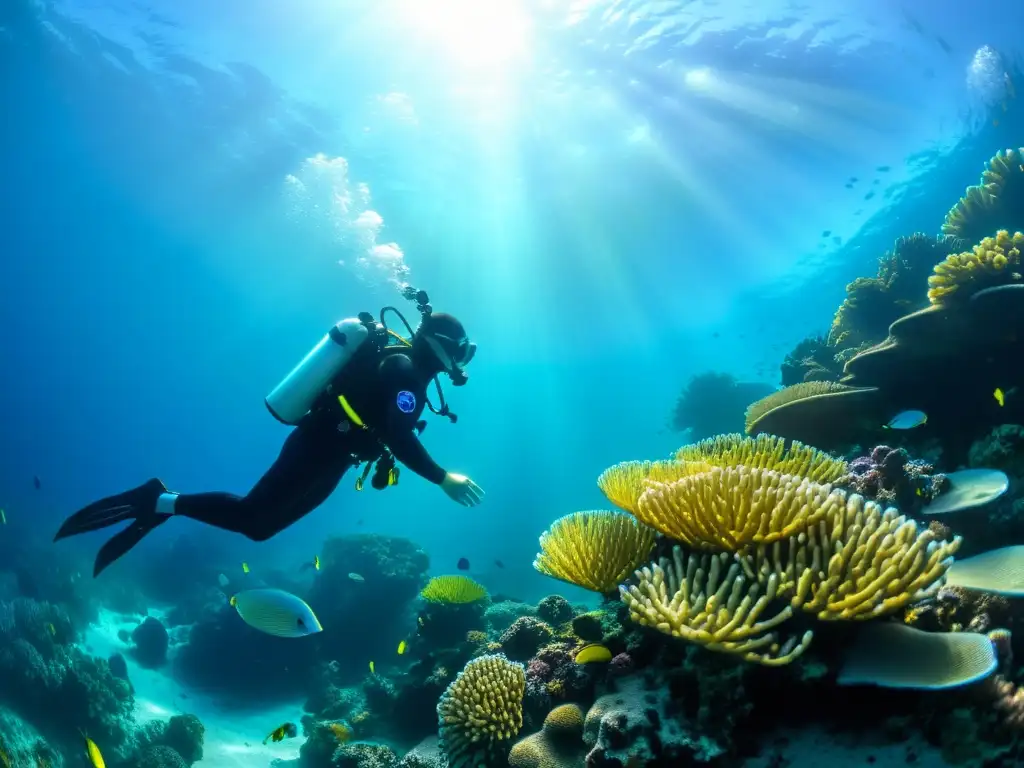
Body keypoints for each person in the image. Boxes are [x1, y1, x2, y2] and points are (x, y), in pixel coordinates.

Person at [55, 310, 485, 576]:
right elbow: (396, 432)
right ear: (441, 347)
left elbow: (390, 428)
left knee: (259, 528)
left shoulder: (406, 370)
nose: (463, 359)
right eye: (461, 350)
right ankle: (157, 499)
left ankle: (162, 503)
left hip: (335, 454)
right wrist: (441, 477)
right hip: (320, 445)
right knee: (251, 515)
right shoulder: (405, 371)